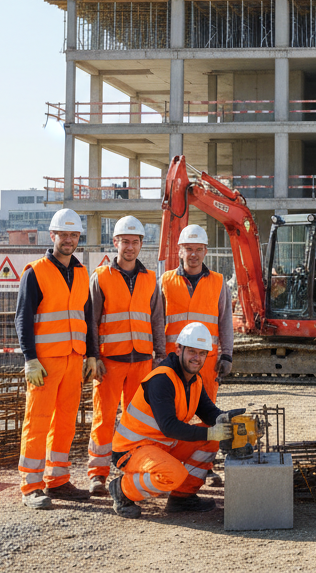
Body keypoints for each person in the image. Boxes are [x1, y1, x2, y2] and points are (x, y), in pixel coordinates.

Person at [14, 208, 98, 509]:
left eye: (74, 235)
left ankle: (57, 480)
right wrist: (30, 359)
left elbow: (87, 317)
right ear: (52, 236)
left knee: (65, 422)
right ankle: (31, 486)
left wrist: (91, 355)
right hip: (45, 363)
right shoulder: (35, 272)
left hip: (74, 360)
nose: (69, 240)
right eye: (63, 234)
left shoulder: (81, 272)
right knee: (37, 421)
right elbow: (23, 318)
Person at [108, 321, 233, 517]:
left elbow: (209, 412)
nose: (197, 358)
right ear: (178, 349)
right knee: (173, 474)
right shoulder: (162, 379)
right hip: (132, 449)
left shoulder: (194, 380)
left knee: (210, 440)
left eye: (202, 353)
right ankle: (123, 489)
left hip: (162, 445)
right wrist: (211, 432)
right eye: (192, 351)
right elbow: (169, 426)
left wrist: (228, 420)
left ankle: (183, 497)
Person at [85, 215, 166, 495]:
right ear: (115, 243)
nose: (129, 247)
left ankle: (134, 468)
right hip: (109, 362)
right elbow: (92, 322)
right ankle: (98, 473)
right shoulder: (101, 277)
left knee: (139, 420)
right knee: (104, 418)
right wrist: (93, 357)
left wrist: (160, 356)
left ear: (141, 244)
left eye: (134, 242)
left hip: (142, 361)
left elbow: (157, 320)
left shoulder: (150, 279)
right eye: (124, 241)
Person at [161, 223, 233, 476]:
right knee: (172, 414)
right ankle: (169, 463)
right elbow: (157, 321)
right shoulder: (165, 282)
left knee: (208, 413)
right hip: (173, 363)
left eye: (198, 249)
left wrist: (227, 354)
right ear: (180, 250)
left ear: (205, 251)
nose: (193, 254)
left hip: (206, 362)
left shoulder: (218, 282)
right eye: (188, 249)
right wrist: (158, 356)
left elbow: (225, 321)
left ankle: (204, 466)